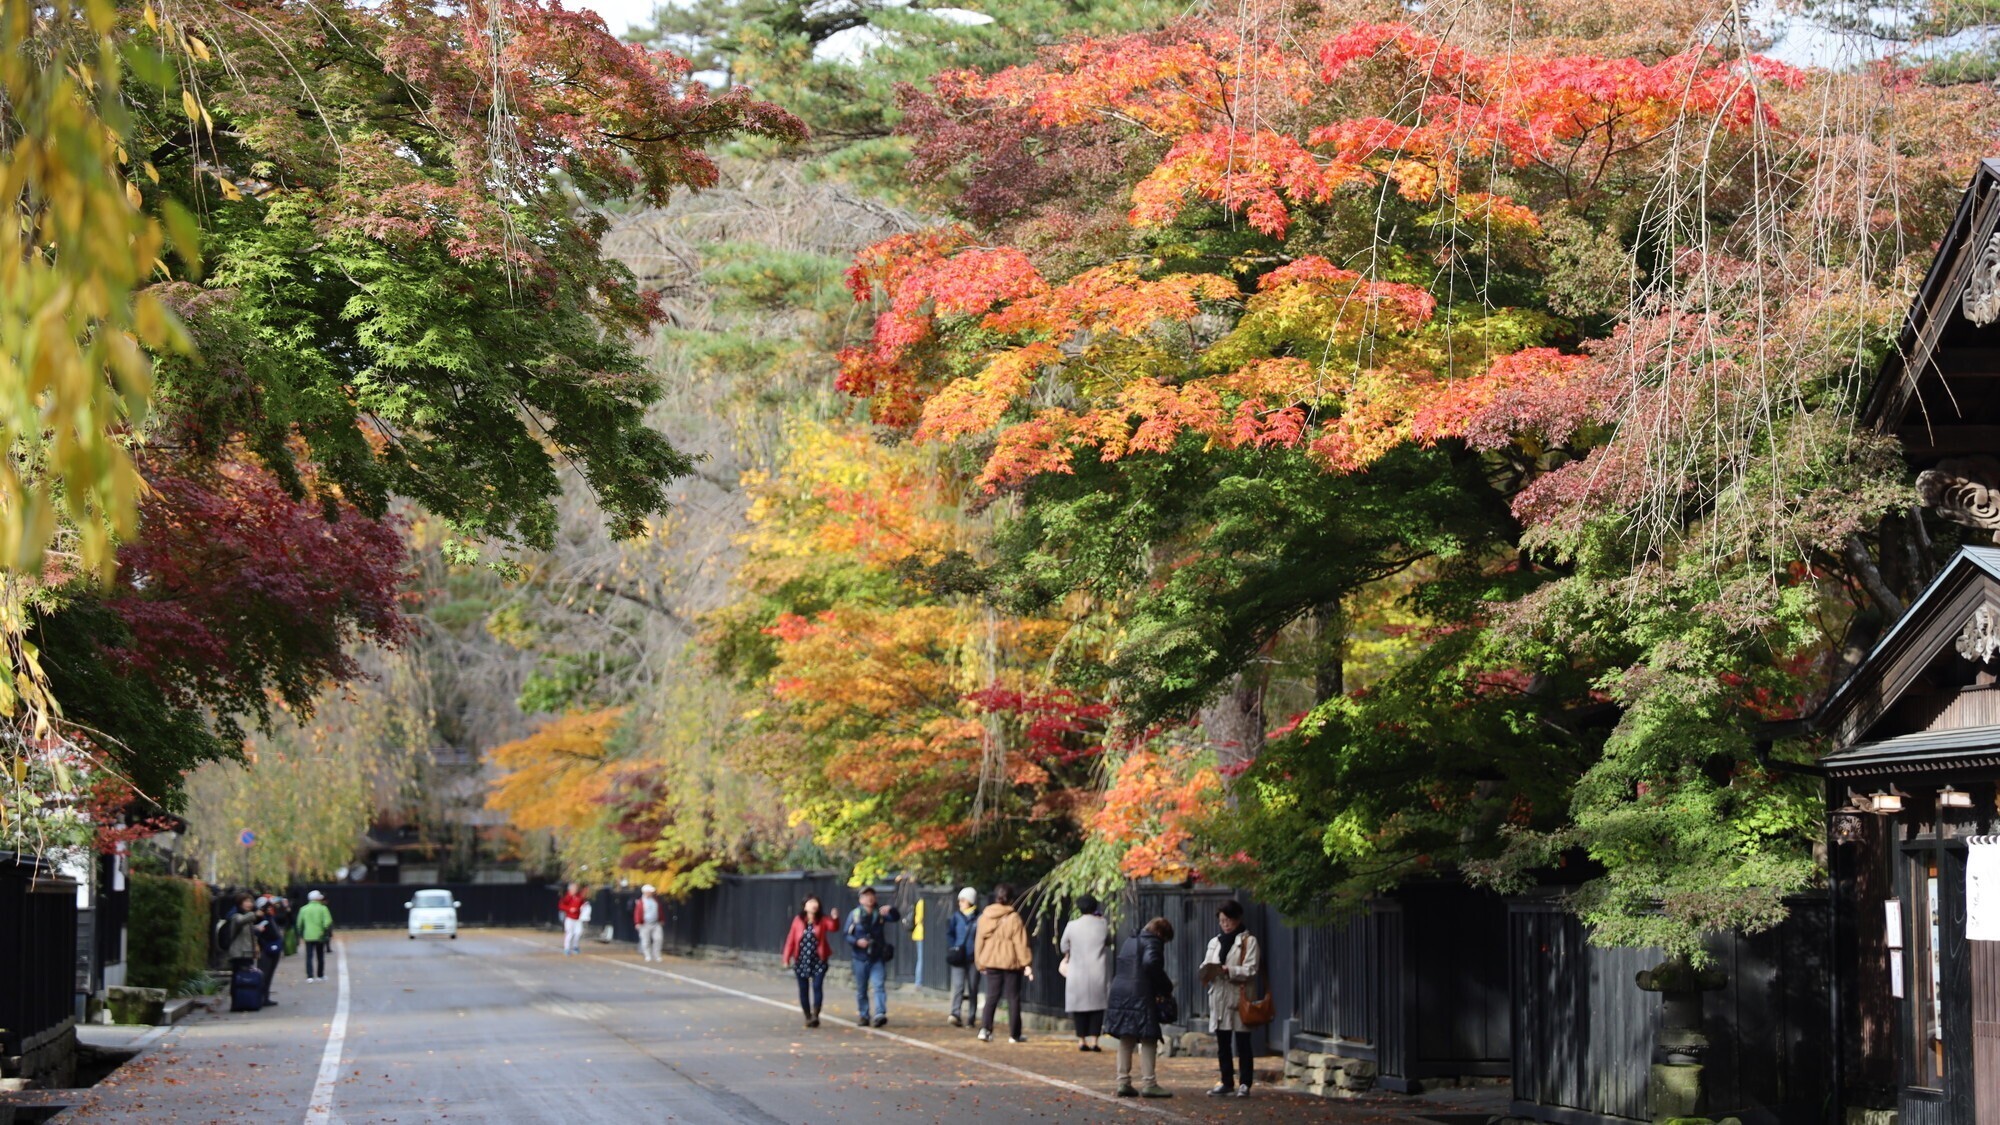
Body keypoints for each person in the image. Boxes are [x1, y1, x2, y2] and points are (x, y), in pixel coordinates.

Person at [1104, 917, 1176, 1099]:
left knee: (1126, 1036)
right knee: (1149, 1037)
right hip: (1141, 993)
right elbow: (1151, 963)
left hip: (1120, 991)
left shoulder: (1131, 940)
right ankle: (1149, 1083)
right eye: (1165, 940)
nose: (1164, 943)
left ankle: (1123, 1082)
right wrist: (1165, 986)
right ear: (1160, 933)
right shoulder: (1152, 941)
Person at [1200, 899, 1262, 1098]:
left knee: (1243, 1041)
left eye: (1228, 920)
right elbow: (1206, 964)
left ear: (1237, 919)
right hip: (1218, 996)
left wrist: (1230, 970)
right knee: (1223, 1042)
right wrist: (1207, 972)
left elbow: (1251, 969)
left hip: (1238, 996)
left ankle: (1245, 1083)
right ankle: (1226, 1081)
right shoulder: (1214, 942)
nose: (1225, 924)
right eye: (1222, 920)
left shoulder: (1248, 941)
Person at [1060, 894, 1113, 1052]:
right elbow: (1109, 941)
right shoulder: (1102, 924)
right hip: (1097, 969)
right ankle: (1095, 1041)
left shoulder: (1072, 925)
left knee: (1079, 1006)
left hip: (1078, 970)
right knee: (1098, 1006)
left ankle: (1082, 1040)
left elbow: (1063, 946)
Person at [843, 886, 902, 1027]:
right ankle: (864, 1015)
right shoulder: (854, 915)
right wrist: (857, 942)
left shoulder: (880, 914)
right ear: (861, 899)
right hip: (860, 957)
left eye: (871, 895)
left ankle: (880, 1013)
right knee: (861, 988)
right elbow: (846, 934)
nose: (869, 898)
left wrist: (891, 909)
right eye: (866, 896)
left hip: (877, 956)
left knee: (879, 985)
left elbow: (896, 917)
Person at [782, 894, 839, 1028]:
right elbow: (791, 939)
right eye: (811, 902)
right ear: (805, 905)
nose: (814, 905)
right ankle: (807, 1016)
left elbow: (833, 927)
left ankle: (816, 1015)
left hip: (818, 959)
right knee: (803, 989)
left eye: (816, 902)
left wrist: (835, 918)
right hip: (801, 959)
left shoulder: (823, 920)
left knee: (817, 986)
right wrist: (786, 958)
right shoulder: (798, 920)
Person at [944, 887, 980, 1028]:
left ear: (970, 901)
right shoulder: (956, 917)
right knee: (958, 986)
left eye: (963, 900)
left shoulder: (979, 917)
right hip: (958, 957)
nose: (960, 902)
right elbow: (950, 933)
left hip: (973, 958)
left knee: (973, 988)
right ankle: (955, 1014)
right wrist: (953, 946)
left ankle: (971, 1017)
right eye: (960, 900)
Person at [297, 890, 334, 983]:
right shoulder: (323, 908)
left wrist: (301, 932)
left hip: (308, 936)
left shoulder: (303, 909)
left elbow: (299, 923)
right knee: (320, 956)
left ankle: (310, 976)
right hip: (319, 936)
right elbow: (328, 921)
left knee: (309, 956)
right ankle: (320, 975)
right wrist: (324, 929)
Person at [255, 897, 287, 1006]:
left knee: (269, 975)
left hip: (274, 948)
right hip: (265, 949)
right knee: (264, 973)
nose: (269, 909)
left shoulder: (270, 917)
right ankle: (259, 997)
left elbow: (283, 919)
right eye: (266, 907)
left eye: (269, 907)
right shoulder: (259, 919)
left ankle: (265, 997)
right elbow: (257, 933)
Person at [633, 885, 664, 962]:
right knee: (645, 940)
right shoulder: (641, 902)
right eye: (650, 891)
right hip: (645, 924)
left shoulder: (655, 901)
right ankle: (647, 955)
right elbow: (637, 913)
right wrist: (637, 922)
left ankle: (657, 955)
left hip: (656, 923)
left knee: (658, 939)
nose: (651, 893)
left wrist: (661, 919)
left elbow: (659, 911)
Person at [558, 883, 588, 955]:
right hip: (569, 918)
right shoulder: (567, 897)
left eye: (576, 889)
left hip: (578, 918)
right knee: (570, 933)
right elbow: (561, 905)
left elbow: (582, 903)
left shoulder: (579, 896)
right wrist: (569, 909)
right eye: (573, 889)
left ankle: (575, 946)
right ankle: (567, 948)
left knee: (578, 932)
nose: (575, 890)